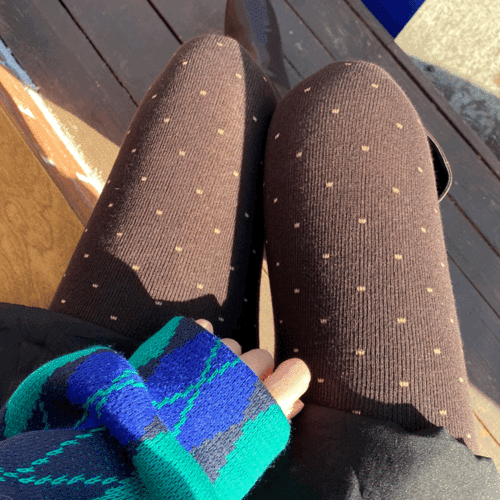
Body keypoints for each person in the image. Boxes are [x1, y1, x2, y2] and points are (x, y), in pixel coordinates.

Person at [0, 32, 498, 499]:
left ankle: (271, 153)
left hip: (54, 437)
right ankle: (281, 156)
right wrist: (181, 457)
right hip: (337, 475)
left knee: (216, 67)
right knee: (352, 103)